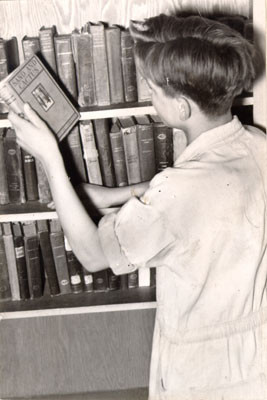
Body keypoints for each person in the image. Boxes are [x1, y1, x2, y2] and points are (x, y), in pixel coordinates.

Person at [8, 13, 267, 400]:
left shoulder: (177, 194)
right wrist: (113, 195)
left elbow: (94, 254)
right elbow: (207, 193)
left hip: (205, 376)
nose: (147, 92)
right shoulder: (255, 141)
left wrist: (51, 158)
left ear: (181, 108)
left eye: (152, 88)